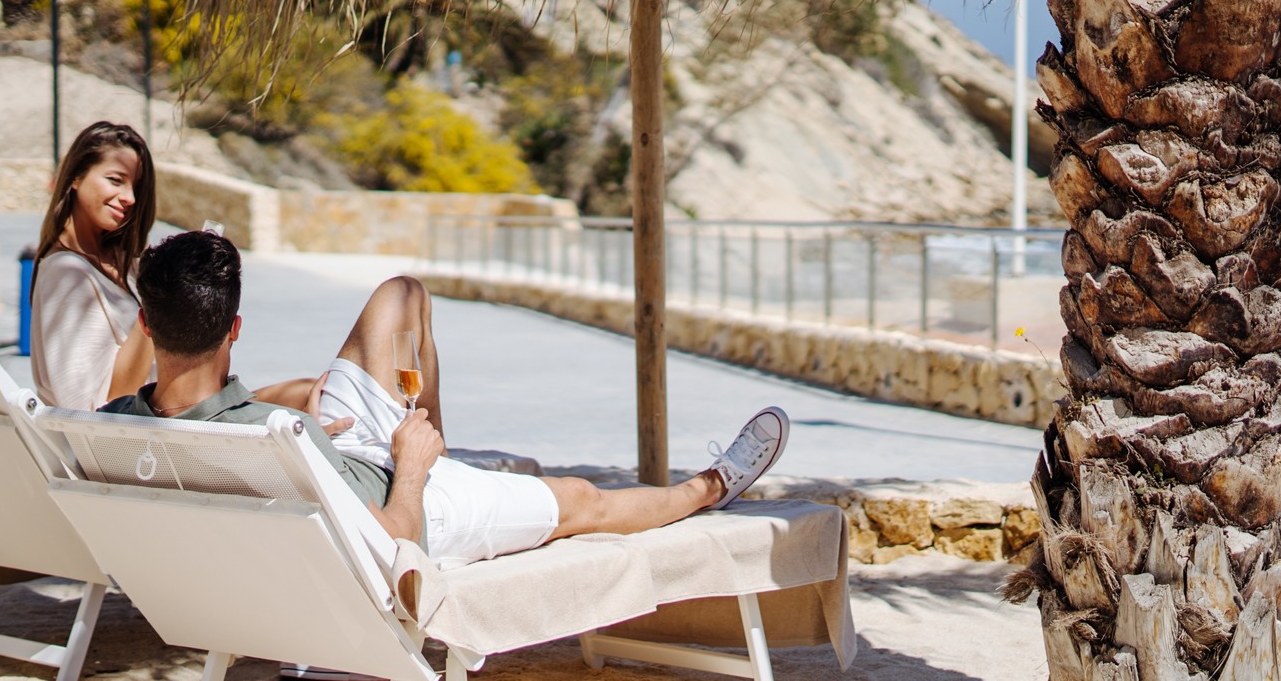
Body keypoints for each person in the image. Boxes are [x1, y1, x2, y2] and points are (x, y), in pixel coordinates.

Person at [100, 231, 791, 569]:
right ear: (235, 329)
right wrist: (413, 463)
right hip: (402, 497)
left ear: (147, 326)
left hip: (321, 457)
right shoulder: (272, 437)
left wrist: (305, 426)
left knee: (401, 297)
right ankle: (711, 486)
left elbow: (226, 423)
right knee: (584, 501)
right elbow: (391, 542)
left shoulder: (111, 429)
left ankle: (435, 436)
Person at [28, 121, 160, 410]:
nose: (130, 198)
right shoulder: (65, 275)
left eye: (136, 187)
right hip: (121, 446)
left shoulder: (126, 264)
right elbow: (90, 407)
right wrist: (162, 297)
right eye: (116, 180)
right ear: (75, 176)